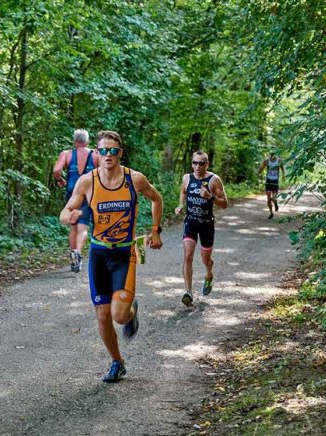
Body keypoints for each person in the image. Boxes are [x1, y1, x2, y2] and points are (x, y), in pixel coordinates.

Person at [60, 130, 163, 383]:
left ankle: (130, 309)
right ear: (97, 153)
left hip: (126, 251)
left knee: (119, 315)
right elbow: (66, 211)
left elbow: (156, 198)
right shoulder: (87, 181)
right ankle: (118, 362)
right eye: (103, 150)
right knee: (103, 315)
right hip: (98, 253)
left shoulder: (135, 179)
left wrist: (155, 230)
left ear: (120, 153)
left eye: (113, 150)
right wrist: (68, 217)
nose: (108, 155)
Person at [174, 151, 228, 307]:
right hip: (190, 222)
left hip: (206, 225)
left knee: (205, 259)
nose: (198, 166)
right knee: (188, 256)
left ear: (207, 164)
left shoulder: (214, 180)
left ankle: (209, 273)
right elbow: (183, 191)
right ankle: (188, 292)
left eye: (201, 163)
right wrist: (180, 205)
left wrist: (209, 197)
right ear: (192, 164)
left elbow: (224, 204)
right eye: (195, 163)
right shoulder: (187, 178)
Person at [53, 129, 99, 272]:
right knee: (83, 227)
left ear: (74, 140)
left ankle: (74, 253)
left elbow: (56, 171)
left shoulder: (66, 154)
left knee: (73, 228)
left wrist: (61, 180)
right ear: (87, 141)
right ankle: (78, 252)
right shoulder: (95, 155)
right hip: (88, 195)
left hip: (72, 195)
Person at [258, 151, 285, 219]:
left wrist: (283, 176)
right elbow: (262, 168)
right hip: (268, 181)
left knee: (273, 198)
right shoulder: (266, 160)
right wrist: (259, 171)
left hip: (275, 181)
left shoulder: (279, 160)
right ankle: (271, 213)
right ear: (270, 154)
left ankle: (275, 204)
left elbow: (282, 168)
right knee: (269, 199)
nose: (273, 155)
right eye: (271, 154)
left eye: (274, 154)